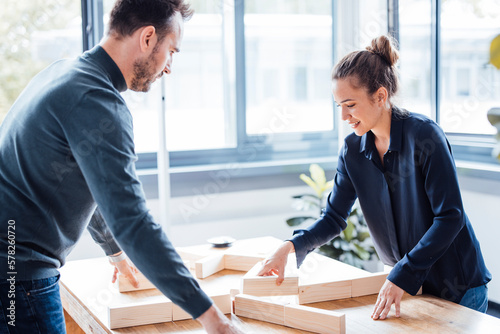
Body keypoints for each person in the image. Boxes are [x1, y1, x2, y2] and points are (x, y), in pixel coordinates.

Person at [0, 0, 243, 333]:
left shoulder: (65, 72)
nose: (169, 66)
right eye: (172, 51)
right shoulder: (98, 102)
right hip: (17, 275)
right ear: (147, 38)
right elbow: (133, 221)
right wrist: (213, 319)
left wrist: (115, 252)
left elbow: (91, 182)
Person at [258, 35, 491, 320]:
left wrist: (401, 274)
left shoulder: (425, 136)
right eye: (338, 106)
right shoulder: (353, 150)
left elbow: (450, 217)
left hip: (457, 286)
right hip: (410, 288)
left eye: (350, 104)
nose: (343, 115)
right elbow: (333, 218)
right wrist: (290, 247)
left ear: (380, 96)